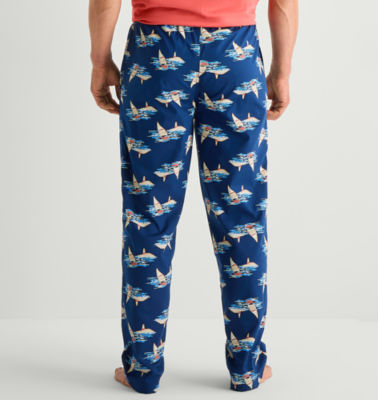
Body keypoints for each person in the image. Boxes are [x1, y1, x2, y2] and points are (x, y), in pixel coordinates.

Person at [89, 0, 298, 394]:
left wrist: (100, 60)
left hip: (156, 52)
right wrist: (281, 71)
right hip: (235, 56)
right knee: (242, 216)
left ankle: (143, 369)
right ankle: (247, 368)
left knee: (148, 217)